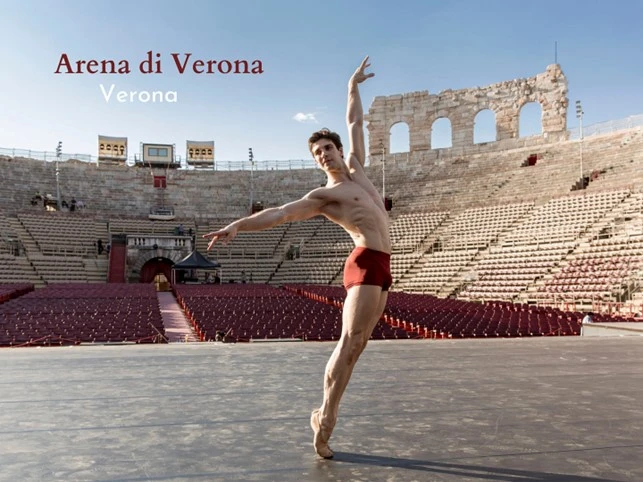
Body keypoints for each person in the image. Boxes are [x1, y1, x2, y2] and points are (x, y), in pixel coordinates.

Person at [204, 56, 391, 459]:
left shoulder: (358, 169)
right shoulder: (325, 197)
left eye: (326, 148)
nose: (323, 155)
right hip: (363, 262)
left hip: (384, 264)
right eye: (316, 153)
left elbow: (357, 123)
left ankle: (324, 414)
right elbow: (281, 214)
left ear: (340, 150)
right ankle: (325, 421)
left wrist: (351, 86)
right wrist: (239, 224)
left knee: (360, 347)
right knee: (349, 341)